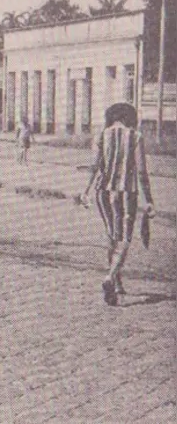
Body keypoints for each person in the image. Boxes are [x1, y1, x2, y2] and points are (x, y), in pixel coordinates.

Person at [81, 102, 156, 306]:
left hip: (103, 192)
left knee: (111, 236)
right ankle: (110, 277)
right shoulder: (135, 136)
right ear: (128, 117)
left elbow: (95, 165)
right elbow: (141, 171)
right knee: (124, 239)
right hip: (125, 192)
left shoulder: (102, 134)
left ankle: (117, 284)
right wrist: (148, 200)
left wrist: (85, 190)